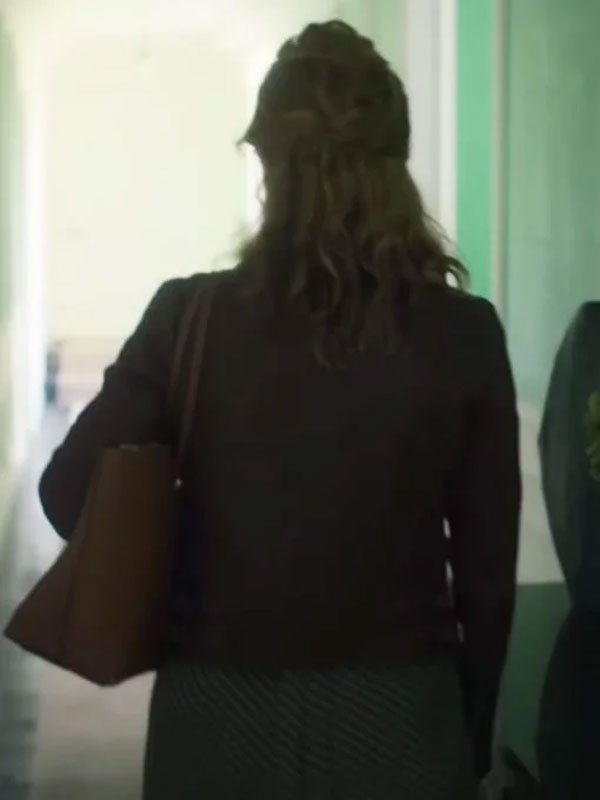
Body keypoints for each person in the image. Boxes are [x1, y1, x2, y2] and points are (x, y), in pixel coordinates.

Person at [38, 21, 521, 800]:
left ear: (266, 161)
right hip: (402, 711)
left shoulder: (189, 317)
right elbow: (488, 576)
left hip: (214, 710)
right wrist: (472, 728)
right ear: (395, 165)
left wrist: (203, 559)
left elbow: (66, 494)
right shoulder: (462, 333)